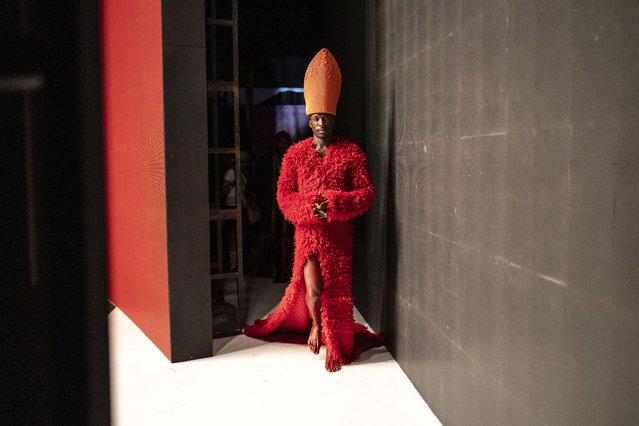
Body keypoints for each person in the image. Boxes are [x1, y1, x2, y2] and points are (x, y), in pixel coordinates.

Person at [244, 48, 383, 372]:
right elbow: (283, 197)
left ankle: (335, 339)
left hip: (337, 235)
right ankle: (316, 325)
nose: (321, 123)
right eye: (316, 118)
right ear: (309, 120)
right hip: (307, 233)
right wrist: (310, 208)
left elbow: (366, 194)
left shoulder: (351, 153)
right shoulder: (295, 155)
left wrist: (332, 205)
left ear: (334, 119)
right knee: (313, 287)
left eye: (326, 118)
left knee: (336, 288)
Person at [255, 131, 294, 282]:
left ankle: (286, 271)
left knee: (287, 237)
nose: (283, 145)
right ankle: (272, 270)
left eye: (285, 142)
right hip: (270, 205)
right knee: (272, 235)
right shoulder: (266, 161)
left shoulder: (294, 161)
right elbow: (259, 183)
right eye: (280, 142)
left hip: (288, 205)